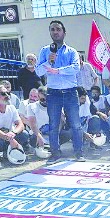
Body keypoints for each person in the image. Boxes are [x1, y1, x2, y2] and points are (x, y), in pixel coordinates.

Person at [35, 20, 84, 162]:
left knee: (75, 124)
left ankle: (79, 152)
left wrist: (56, 71)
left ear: (64, 32)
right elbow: (38, 72)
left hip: (70, 92)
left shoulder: (72, 51)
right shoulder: (45, 51)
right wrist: (48, 62)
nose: (55, 32)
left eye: (58, 29)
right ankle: (55, 153)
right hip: (53, 93)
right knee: (54, 124)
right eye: (52, 29)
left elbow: (75, 68)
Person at [0, 85, 30, 156]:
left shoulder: (12, 108)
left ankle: (7, 151)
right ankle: (9, 151)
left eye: (8, 93)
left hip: (10, 136)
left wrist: (13, 133)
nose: (7, 96)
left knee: (24, 134)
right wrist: (10, 139)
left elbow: (20, 125)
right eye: (3, 94)